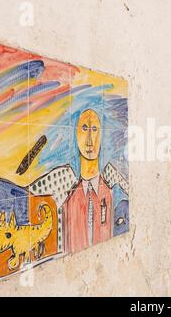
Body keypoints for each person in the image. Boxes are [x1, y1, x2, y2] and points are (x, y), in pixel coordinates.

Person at [62, 109, 113, 254]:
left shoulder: (109, 193)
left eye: (95, 129)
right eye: (84, 129)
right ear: (76, 135)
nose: (90, 141)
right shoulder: (69, 200)